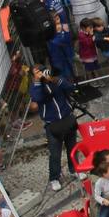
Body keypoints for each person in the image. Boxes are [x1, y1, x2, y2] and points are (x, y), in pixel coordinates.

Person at [30, 64, 77, 192]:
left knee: (72, 147)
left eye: (41, 70)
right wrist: (38, 81)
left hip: (67, 118)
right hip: (52, 124)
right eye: (37, 72)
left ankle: (74, 169)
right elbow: (37, 98)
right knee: (55, 154)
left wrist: (54, 80)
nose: (40, 73)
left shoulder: (56, 80)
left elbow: (71, 87)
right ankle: (54, 178)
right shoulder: (35, 87)